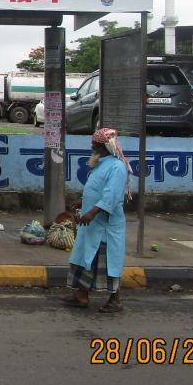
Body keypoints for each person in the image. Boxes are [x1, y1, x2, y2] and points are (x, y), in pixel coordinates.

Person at [62, 127, 130, 313]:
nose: (92, 145)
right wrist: (82, 202)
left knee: (106, 263)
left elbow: (111, 196)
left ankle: (115, 300)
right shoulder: (101, 164)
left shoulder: (117, 167)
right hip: (92, 223)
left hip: (105, 226)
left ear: (104, 146)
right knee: (87, 259)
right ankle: (81, 295)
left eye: (95, 143)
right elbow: (96, 189)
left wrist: (92, 212)